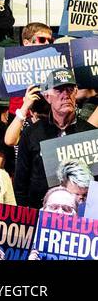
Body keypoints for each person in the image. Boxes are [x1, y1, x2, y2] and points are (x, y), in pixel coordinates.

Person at [14, 69, 95, 208]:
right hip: (40, 216)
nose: (66, 95)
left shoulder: (91, 133)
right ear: (47, 96)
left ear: (76, 93)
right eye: (59, 90)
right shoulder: (31, 133)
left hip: (81, 220)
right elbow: (20, 184)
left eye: (70, 90)